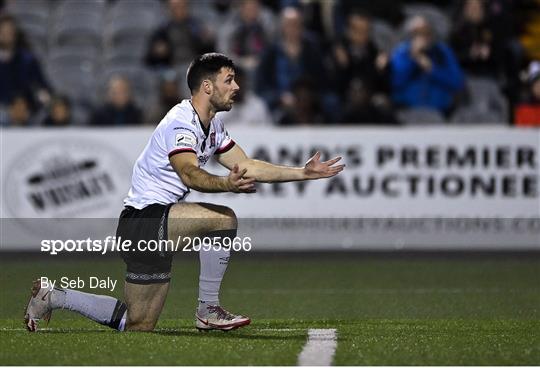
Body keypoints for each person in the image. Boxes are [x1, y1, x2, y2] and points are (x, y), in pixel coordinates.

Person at [24, 53, 345, 332]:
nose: (236, 87)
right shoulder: (182, 123)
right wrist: (226, 185)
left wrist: (303, 173)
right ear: (207, 87)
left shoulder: (214, 125)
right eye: (229, 80)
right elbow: (188, 172)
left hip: (151, 225)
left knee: (137, 324)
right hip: (144, 220)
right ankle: (208, 310)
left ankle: (53, 296)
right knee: (223, 220)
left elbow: (246, 164)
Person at [390, 15, 465, 114]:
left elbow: (457, 83)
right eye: (417, 33)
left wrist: (432, 70)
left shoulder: (442, 52)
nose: (422, 37)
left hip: (440, 111)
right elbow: (395, 82)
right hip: (407, 110)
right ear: (411, 35)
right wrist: (413, 58)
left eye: (425, 32)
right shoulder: (402, 52)